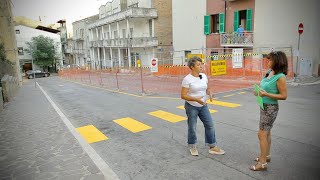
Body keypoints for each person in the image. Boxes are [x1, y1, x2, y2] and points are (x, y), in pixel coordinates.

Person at [250, 51, 288, 171]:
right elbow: (263, 87)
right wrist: (258, 91)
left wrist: (266, 94)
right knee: (267, 133)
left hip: (270, 108)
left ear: (277, 62)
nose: (268, 61)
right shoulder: (269, 72)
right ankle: (266, 156)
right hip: (263, 105)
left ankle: (262, 163)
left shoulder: (280, 77)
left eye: (270, 60)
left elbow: (284, 96)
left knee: (261, 134)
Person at [181, 56, 225, 156]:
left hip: (203, 105)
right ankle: (192, 146)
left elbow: (207, 88)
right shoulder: (187, 79)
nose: (201, 66)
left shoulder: (203, 76)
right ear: (192, 67)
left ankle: (212, 146)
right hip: (192, 106)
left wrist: (210, 92)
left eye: (201, 64)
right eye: (198, 65)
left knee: (210, 124)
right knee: (192, 127)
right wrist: (196, 99)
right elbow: (183, 95)